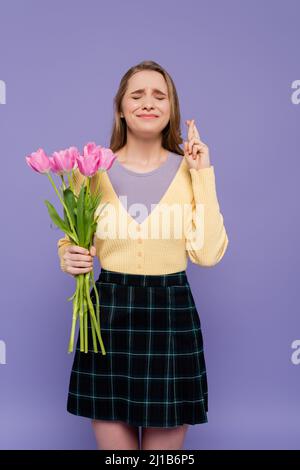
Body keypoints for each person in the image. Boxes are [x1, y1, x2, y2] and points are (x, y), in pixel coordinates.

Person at [57, 60, 229, 450]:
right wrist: (68, 257)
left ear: (172, 109)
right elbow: (71, 240)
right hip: (107, 316)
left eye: (159, 95)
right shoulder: (91, 171)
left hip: (171, 314)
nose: (147, 103)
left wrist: (203, 174)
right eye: (136, 95)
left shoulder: (190, 171)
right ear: (120, 107)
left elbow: (207, 254)